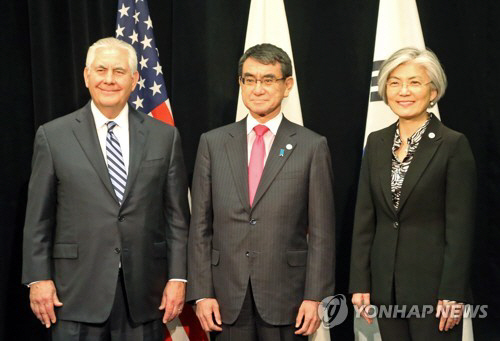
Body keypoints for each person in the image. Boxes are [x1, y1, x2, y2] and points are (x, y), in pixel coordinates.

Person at [22, 37, 190, 341]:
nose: (109, 80)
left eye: (119, 71)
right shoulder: (53, 135)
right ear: (87, 76)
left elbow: (177, 217)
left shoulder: (165, 137)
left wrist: (178, 277)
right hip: (73, 293)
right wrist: (38, 278)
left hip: (144, 295)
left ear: (134, 79)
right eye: (101, 70)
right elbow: (39, 218)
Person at [187, 43, 335, 341]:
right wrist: (202, 293)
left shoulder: (311, 145)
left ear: (287, 85)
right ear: (240, 83)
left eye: (268, 80)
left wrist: (315, 296)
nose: (258, 89)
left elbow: (322, 230)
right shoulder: (213, 143)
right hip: (225, 298)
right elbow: (200, 225)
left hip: (288, 297)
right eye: (249, 79)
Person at [349, 47, 476, 340]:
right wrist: (360, 282)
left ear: (433, 91)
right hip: (385, 288)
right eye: (395, 82)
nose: (403, 91)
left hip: (434, 292)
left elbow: (461, 228)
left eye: (414, 82)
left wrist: (452, 292)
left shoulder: (453, 144)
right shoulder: (377, 141)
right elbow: (365, 219)